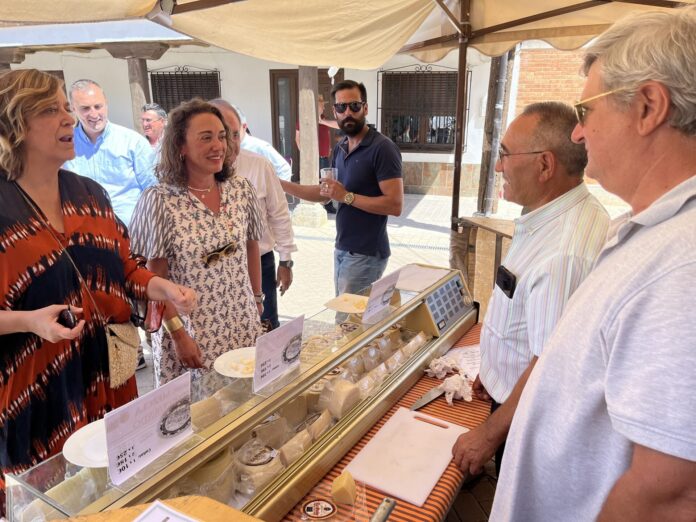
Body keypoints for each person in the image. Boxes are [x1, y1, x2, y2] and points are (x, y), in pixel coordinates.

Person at [491, 7, 696, 521]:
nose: (578, 136)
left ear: (648, 107)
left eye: (587, 113)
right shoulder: (655, 231)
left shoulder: (681, 268)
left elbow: (670, 495)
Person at [0, 69, 196, 513]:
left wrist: (160, 286)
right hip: (38, 390)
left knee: (116, 492)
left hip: (110, 375)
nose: (69, 118)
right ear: (15, 125)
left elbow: (124, 266)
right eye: (51, 110)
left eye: (66, 107)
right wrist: (27, 321)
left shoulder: (90, 193)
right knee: (53, 504)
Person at [451, 102, 610, 478]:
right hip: (512, 398)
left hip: (530, 424)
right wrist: (495, 372)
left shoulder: (563, 253)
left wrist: (489, 434)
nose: (498, 167)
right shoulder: (554, 215)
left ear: (545, 165)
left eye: (505, 155)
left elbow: (549, 367)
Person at [129, 99, 264, 387]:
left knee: (245, 406)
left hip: (241, 319)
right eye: (206, 138)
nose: (218, 146)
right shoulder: (159, 201)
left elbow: (252, 246)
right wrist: (178, 334)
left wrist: (256, 299)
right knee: (202, 417)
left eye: (222, 136)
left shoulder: (240, 189)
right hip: (192, 329)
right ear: (180, 146)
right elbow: (153, 277)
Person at [282, 80, 403, 296]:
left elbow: (394, 205)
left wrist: (346, 197)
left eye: (354, 106)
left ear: (365, 108)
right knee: (351, 319)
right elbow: (324, 194)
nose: (347, 112)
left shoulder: (383, 148)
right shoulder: (341, 147)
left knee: (348, 321)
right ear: (334, 111)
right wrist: (281, 185)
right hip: (342, 248)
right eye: (341, 107)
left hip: (366, 253)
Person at [210, 99, 297, 330]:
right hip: (215, 269)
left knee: (265, 328)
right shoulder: (193, 179)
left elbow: (279, 214)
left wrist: (286, 260)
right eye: (220, 135)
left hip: (260, 262)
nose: (228, 144)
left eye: (234, 135)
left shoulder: (259, 166)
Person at [64, 79, 157, 226]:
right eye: (85, 108)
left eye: (98, 106)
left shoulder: (133, 142)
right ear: (73, 109)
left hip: (132, 234)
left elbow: (154, 189)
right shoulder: (64, 146)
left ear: (106, 104)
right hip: (86, 235)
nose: (94, 114)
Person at [295, 93, 340, 214]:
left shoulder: (323, 118)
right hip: (313, 158)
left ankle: (327, 204)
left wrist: (329, 147)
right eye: (322, 105)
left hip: (324, 155)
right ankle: (317, 203)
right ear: (316, 106)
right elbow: (297, 138)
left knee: (326, 181)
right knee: (315, 182)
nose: (324, 108)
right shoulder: (304, 120)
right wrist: (305, 155)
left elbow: (328, 133)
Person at [237, 105, 292, 181]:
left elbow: (284, 169)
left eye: (234, 131)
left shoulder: (259, 147)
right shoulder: (224, 149)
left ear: (244, 126)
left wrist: (276, 191)